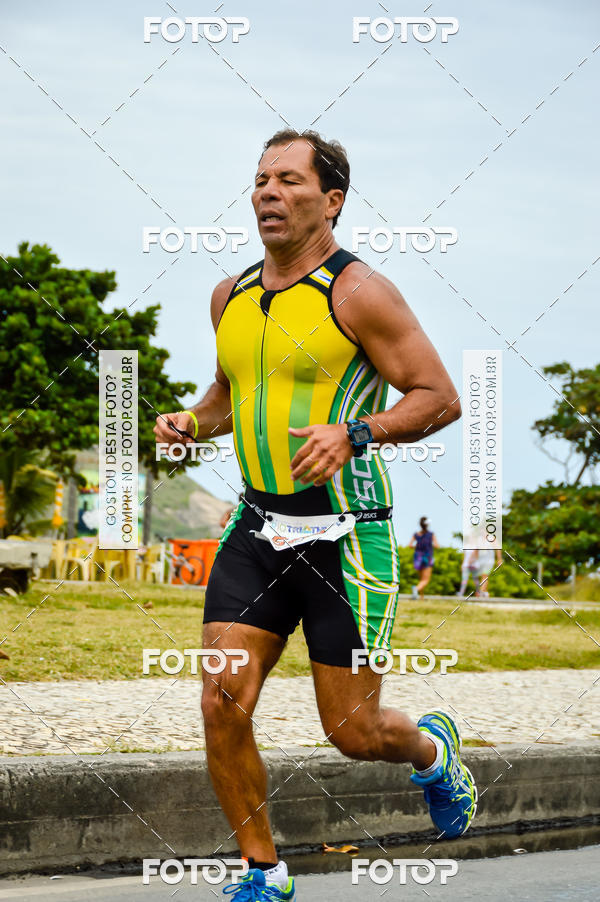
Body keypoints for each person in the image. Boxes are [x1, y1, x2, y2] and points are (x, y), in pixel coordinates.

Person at [154, 129, 476, 899]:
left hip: (346, 536)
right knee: (220, 699)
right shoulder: (229, 296)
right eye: (261, 178)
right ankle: (263, 873)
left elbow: (439, 397)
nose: (269, 191)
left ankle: (432, 753)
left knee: (354, 733)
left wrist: (355, 433)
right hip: (257, 530)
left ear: (331, 201)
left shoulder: (358, 292)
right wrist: (192, 422)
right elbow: (230, 395)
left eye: (290, 180)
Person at [409, 517, 439, 599]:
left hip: (418, 557)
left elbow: (410, 545)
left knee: (421, 579)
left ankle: (421, 597)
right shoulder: (431, 534)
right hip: (427, 557)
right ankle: (416, 589)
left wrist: (418, 546)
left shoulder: (416, 534)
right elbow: (437, 546)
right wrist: (428, 545)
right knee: (425, 580)